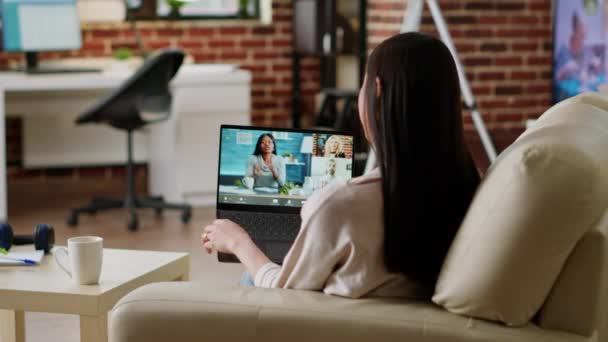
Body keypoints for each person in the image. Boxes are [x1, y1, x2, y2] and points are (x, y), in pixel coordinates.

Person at [202, 32, 480, 299]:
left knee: (252, 276)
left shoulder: (340, 205)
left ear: (377, 91)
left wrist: (238, 242)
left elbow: (285, 298)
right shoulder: (472, 190)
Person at [555, 12, 586, 82]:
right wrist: (565, 70)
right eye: (580, 35)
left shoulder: (581, 52)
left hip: (577, 88)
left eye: (583, 37)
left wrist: (584, 73)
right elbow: (556, 79)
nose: (581, 41)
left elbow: (582, 72)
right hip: (564, 90)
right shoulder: (563, 51)